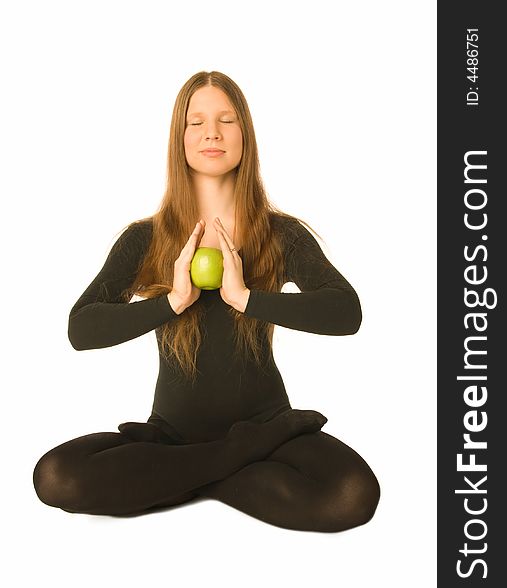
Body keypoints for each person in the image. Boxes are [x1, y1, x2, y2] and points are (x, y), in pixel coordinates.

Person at [32, 71, 380, 533]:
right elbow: (82, 328)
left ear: (245, 135)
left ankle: (178, 482)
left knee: (352, 494)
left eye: (226, 120)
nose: (212, 132)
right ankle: (227, 465)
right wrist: (172, 301)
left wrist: (245, 298)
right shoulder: (145, 239)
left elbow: (344, 312)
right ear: (180, 139)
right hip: (174, 437)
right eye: (196, 122)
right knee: (55, 477)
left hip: (266, 426)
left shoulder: (282, 235)